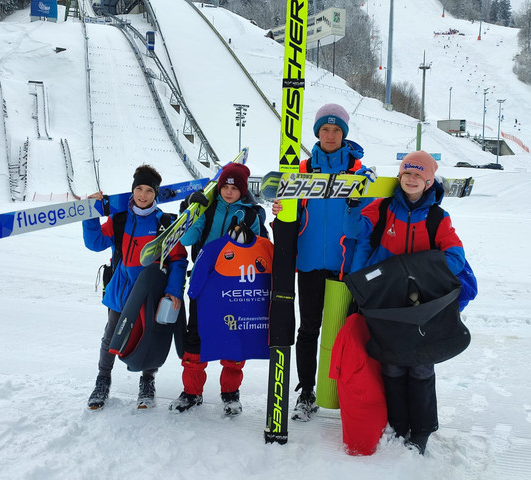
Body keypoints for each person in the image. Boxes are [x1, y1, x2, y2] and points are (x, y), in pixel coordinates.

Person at [344, 150, 466, 454]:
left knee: (422, 366)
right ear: (400, 177)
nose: (411, 179)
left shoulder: (439, 218)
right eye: (406, 174)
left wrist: (413, 270)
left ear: (428, 182)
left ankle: (422, 430)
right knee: (393, 365)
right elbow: (357, 234)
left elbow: (455, 258)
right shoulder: (384, 208)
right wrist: (357, 199)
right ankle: (398, 425)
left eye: (418, 175)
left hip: (423, 305)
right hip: (387, 302)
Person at [271, 103, 375, 421]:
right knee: (309, 329)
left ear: (344, 134)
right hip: (311, 262)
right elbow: (290, 221)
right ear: (317, 133)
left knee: (345, 332)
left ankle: (342, 389)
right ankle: (306, 391)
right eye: (325, 129)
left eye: (336, 130)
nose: (330, 135)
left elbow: (368, 219)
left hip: (346, 264)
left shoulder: (358, 172)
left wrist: (364, 193)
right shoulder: (302, 171)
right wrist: (282, 215)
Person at [83, 165, 188, 410]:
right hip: (121, 293)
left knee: (149, 337)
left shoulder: (164, 222)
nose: (143, 195)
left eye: (149, 190)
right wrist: (90, 214)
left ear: (156, 194)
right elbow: (95, 243)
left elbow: (178, 259)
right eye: (139, 189)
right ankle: (103, 379)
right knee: (112, 336)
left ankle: (147, 381)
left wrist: (173, 290)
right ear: (133, 190)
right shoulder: (120, 219)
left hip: (150, 294)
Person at [169, 163, 262, 416]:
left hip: (234, 285)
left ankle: (230, 393)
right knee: (195, 335)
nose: (229, 192)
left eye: (234, 188)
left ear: (242, 191)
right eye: (225, 186)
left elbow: (257, 251)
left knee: (233, 336)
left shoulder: (250, 216)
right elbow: (186, 239)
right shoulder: (208, 211)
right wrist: (191, 210)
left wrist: (245, 240)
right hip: (205, 282)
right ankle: (191, 391)